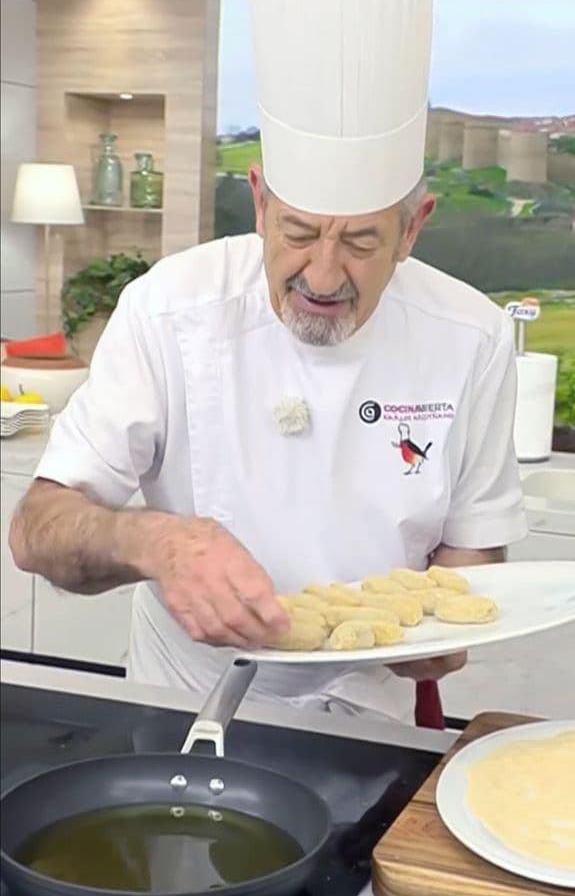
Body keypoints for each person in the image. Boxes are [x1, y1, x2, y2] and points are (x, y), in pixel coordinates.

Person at [8, 167, 527, 723]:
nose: (324, 277)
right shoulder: (168, 309)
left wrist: (442, 621)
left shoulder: (471, 335)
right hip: (185, 696)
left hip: (373, 709)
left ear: (411, 230)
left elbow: (474, 539)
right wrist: (154, 540)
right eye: (298, 233)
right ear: (259, 204)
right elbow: (37, 530)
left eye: (360, 241)